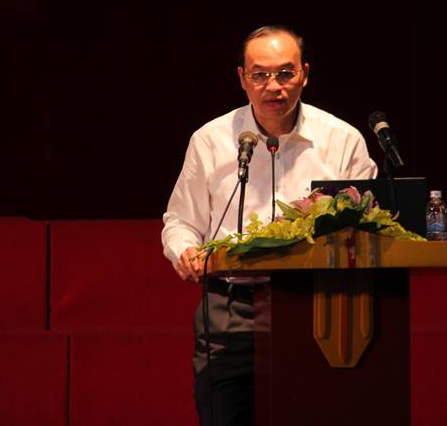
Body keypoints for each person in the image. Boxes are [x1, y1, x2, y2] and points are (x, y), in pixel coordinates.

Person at [161, 25, 377, 425]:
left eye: (285, 73)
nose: (273, 86)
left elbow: (367, 226)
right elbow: (181, 220)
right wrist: (185, 250)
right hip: (232, 306)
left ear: (305, 74)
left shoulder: (343, 141)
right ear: (242, 79)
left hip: (317, 307)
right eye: (259, 74)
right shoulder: (211, 140)